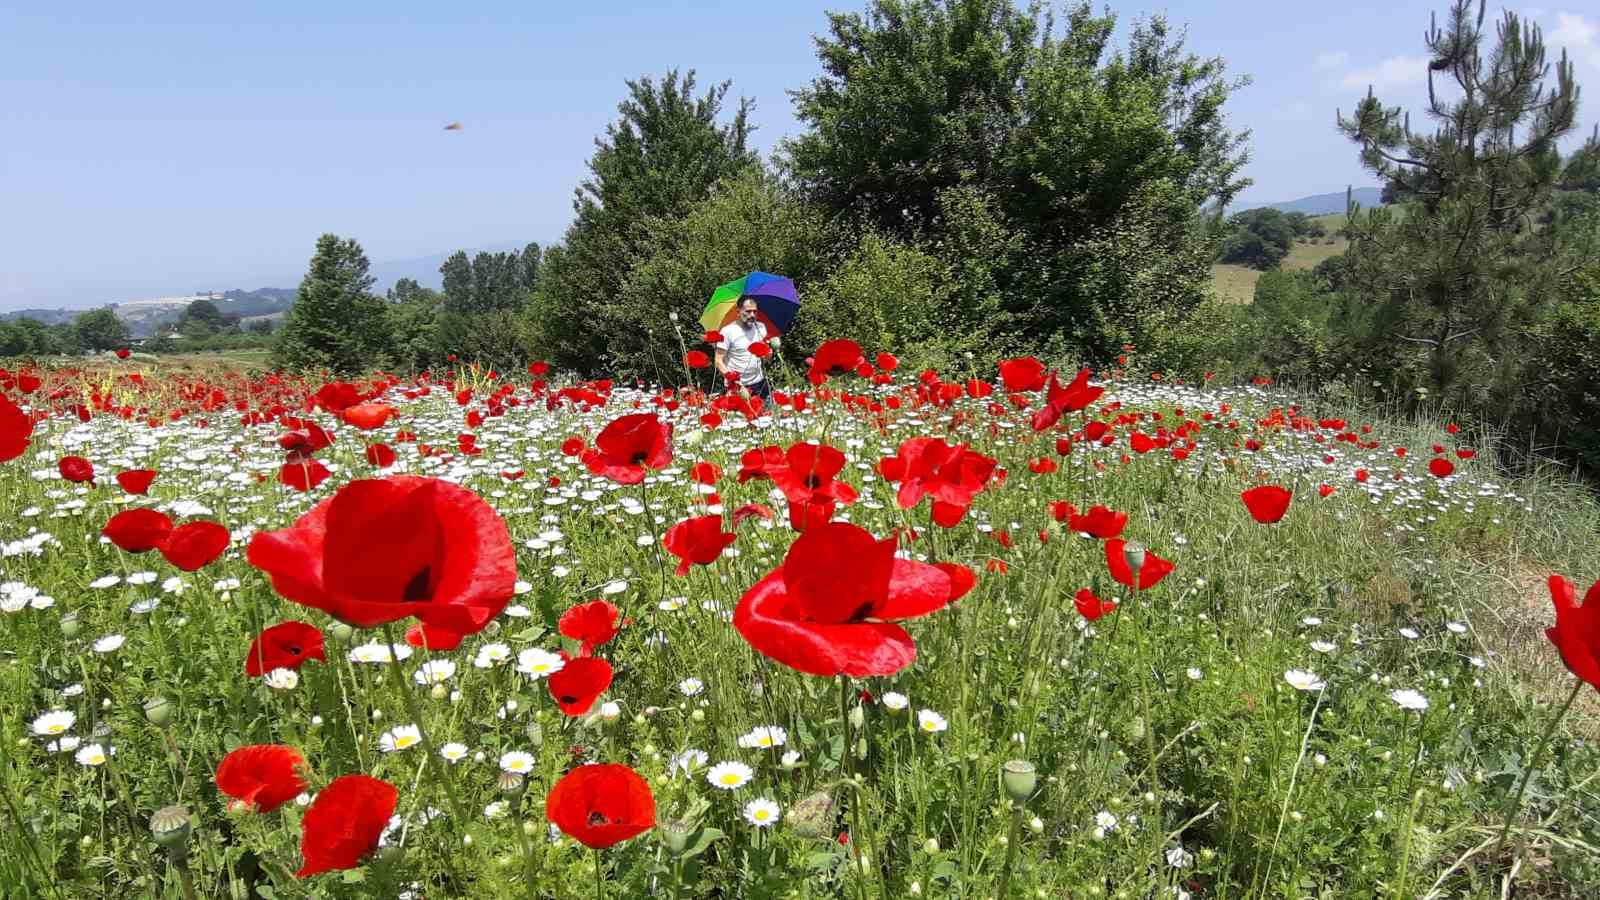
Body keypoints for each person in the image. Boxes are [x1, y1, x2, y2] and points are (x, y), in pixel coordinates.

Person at [714, 297, 779, 400]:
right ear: (738, 312)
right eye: (748, 311)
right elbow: (718, 361)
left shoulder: (761, 327)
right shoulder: (727, 332)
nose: (752, 315)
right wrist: (734, 381)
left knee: (767, 415)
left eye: (755, 311)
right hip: (737, 386)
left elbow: (767, 360)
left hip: (760, 383)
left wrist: (768, 353)